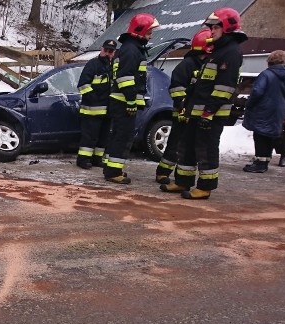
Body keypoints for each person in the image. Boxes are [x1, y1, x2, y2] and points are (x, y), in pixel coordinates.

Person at [161, 7, 247, 200]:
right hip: (197, 112)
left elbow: (224, 87)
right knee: (187, 147)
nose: (211, 31)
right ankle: (183, 181)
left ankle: (205, 187)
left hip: (211, 114)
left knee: (206, 150)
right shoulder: (218, 52)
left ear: (227, 28)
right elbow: (204, 84)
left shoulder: (231, 53)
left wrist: (209, 112)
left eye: (215, 27)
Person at [103, 13, 159, 185]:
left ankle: (112, 168)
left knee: (118, 136)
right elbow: (125, 78)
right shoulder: (132, 50)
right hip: (123, 102)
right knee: (123, 136)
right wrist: (131, 101)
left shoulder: (129, 48)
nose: (151, 36)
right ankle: (113, 172)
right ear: (140, 31)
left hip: (120, 101)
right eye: (149, 32)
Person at [155, 29, 212, 184]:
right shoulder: (188, 64)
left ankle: (184, 177)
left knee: (189, 147)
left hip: (197, 113)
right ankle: (163, 172)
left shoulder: (209, 65)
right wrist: (182, 107)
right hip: (182, 111)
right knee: (175, 143)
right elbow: (176, 87)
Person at [241, 50, 285, 173]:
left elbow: (257, 92)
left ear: (269, 61)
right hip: (279, 110)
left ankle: (260, 163)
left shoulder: (266, 74)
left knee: (259, 135)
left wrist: (249, 104)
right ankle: (265, 161)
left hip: (263, 109)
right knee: (269, 135)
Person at [76, 39, 117, 169]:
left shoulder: (113, 67)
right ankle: (83, 160)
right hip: (91, 110)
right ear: (101, 49)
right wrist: (94, 98)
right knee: (89, 137)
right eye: (106, 50)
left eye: (110, 51)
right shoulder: (93, 64)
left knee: (103, 137)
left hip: (107, 110)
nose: (108, 53)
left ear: (114, 52)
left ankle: (97, 159)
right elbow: (83, 85)